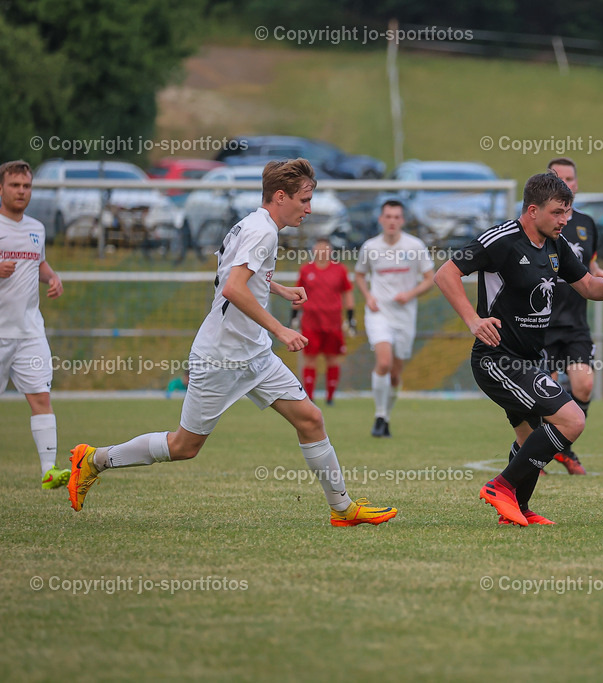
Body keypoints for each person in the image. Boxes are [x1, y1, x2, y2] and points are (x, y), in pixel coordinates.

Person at [67, 159, 396, 527]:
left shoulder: (253, 223)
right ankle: (94, 459)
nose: (309, 208)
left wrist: (279, 289)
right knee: (184, 446)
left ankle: (342, 509)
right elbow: (233, 288)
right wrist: (281, 330)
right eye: (304, 200)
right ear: (281, 196)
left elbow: (235, 274)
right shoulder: (263, 232)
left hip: (254, 354)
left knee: (311, 419)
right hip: (221, 357)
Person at [434, 172, 603, 527]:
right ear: (532, 210)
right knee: (572, 420)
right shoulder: (501, 240)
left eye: (567, 212)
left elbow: (589, 286)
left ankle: (518, 510)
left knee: (530, 435)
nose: (565, 220)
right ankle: (501, 487)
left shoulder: (556, 245)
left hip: (530, 360)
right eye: (557, 212)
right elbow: (445, 273)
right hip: (497, 359)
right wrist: (473, 320)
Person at [0, 160, 69, 490]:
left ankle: (48, 471)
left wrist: (52, 277)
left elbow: (38, 263)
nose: (21, 192)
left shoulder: (36, 228)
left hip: (29, 332)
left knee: (41, 397)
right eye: (14, 185)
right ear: (1, 188)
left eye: (26, 186)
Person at [542, 157, 603, 475]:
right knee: (547, 394)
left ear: (576, 184)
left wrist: (602, 276)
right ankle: (534, 454)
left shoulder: (586, 224)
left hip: (575, 324)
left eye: (569, 178)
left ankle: (562, 448)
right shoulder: (539, 223)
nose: (564, 183)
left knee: (583, 384)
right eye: (557, 178)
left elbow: (590, 266)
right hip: (541, 324)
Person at [354, 200, 434, 437]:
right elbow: (359, 275)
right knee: (384, 362)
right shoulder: (370, 247)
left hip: (405, 316)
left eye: (396, 217)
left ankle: (386, 417)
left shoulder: (415, 246)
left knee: (396, 373)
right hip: (379, 313)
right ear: (381, 219)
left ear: (403, 220)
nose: (392, 221)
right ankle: (379, 415)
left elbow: (430, 278)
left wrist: (409, 294)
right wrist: (368, 296)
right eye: (388, 216)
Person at [295, 237, 355, 405]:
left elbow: (347, 293)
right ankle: (309, 397)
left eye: (325, 248)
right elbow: (297, 293)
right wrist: (294, 316)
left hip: (333, 323)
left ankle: (330, 397)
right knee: (310, 359)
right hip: (311, 323)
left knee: (333, 359)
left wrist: (351, 317)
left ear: (330, 251)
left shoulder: (340, 270)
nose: (322, 251)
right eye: (319, 248)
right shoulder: (306, 270)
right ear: (314, 250)